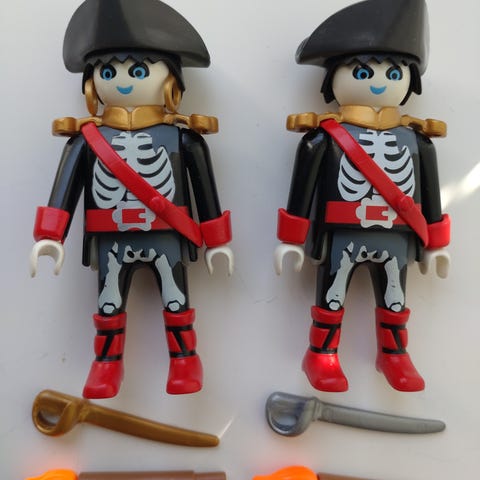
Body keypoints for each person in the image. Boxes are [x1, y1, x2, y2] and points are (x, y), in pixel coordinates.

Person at [30, 0, 233, 399]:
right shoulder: (86, 141)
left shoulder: (183, 138)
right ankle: (107, 363)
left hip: (167, 233)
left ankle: (185, 359)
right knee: (109, 302)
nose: (122, 81)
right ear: (92, 85)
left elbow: (205, 192)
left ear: (171, 82)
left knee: (176, 297)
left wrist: (217, 242)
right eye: (108, 72)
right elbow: (65, 189)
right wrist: (50, 236)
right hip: (111, 237)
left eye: (139, 71)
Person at [275, 0, 450, 392]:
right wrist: (290, 240)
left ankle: (394, 354)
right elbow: (302, 190)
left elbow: (430, 196)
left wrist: (436, 244)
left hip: (396, 234)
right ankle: (320, 353)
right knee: (332, 294)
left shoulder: (419, 143)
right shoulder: (323, 139)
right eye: (362, 71)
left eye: (393, 72)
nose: (378, 82)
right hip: (342, 232)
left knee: (394, 297)